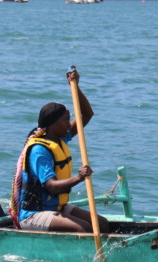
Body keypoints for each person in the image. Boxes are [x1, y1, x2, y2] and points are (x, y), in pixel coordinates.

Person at [10, 68, 109, 233]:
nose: (68, 124)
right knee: (83, 229)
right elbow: (52, 186)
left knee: (101, 223)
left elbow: (86, 114)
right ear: (52, 124)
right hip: (34, 213)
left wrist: (75, 86)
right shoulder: (39, 150)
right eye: (65, 121)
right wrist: (79, 177)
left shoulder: (60, 138)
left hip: (57, 206)